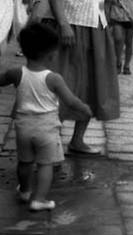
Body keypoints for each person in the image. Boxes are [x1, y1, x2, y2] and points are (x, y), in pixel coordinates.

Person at [48, 0, 120, 155]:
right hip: (71, 27)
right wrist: (64, 24)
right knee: (65, 81)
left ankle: (77, 140)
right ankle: (51, 140)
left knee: (92, 84)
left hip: (97, 28)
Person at [0, 23, 91, 211]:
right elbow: (71, 101)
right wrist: (85, 109)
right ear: (51, 54)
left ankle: (25, 191)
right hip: (47, 128)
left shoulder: (17, 73)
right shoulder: (53, 78)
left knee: (24, 162)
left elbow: (1, 80)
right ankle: (39, 199)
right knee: (45, 164)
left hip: (23, 126)